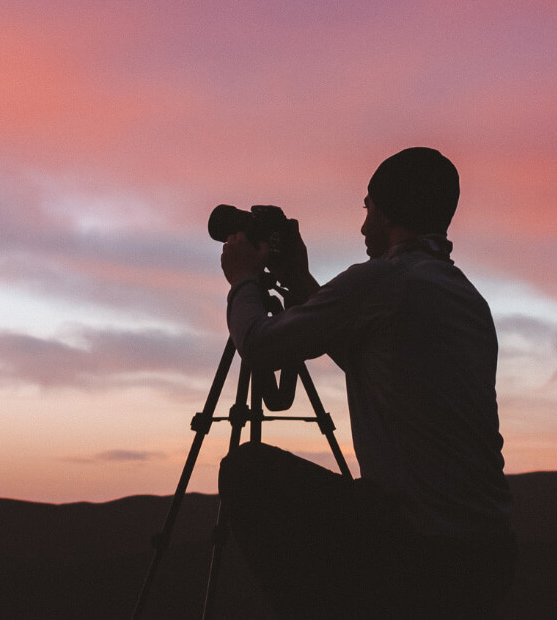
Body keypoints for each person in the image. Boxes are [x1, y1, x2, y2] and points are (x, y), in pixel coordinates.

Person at [217, 147, 514, 618]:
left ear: (388, 212)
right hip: (489, 552)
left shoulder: (383, 281)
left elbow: (260, 344)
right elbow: (364, 356)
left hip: (422, 548)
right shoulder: (465, 297)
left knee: (246, 469)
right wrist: (297, 278)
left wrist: (243, 282)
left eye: (368, 209)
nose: (362, 227)